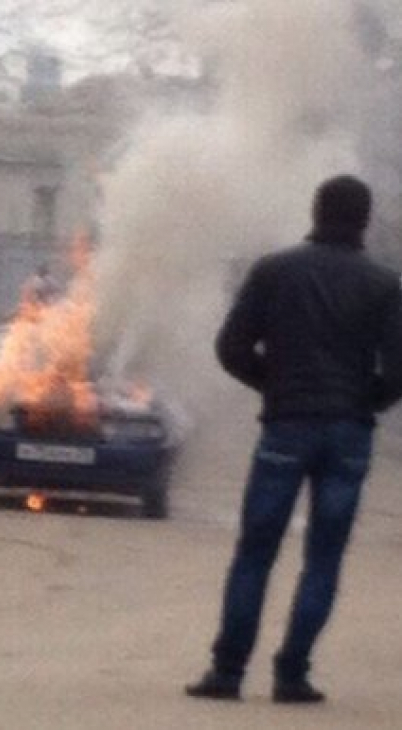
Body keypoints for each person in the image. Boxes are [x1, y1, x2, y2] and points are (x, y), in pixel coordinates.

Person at [186, 174, 402, 704]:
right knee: (323, 557)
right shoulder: (385, 285)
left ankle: (228, 672)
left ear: (315, 211)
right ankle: (292, 675)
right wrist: (365, 401)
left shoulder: (274, 271)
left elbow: (231, 346)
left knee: (256, 550)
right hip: (348, 432)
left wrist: (275, 385)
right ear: (365, 219)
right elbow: (399, 369)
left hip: (285, 426)